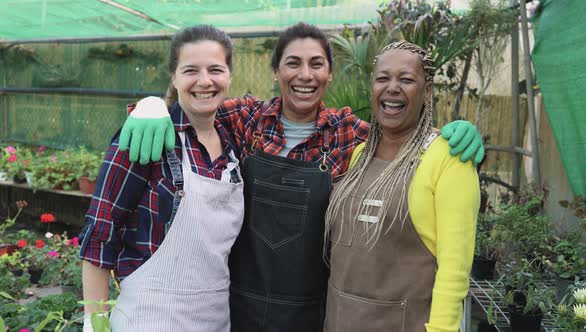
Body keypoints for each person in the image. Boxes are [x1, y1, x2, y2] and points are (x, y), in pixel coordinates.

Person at [118, 23, 484, 331]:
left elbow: (404, 139)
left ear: (329, 73)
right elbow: (194, 106)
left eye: (317, 64)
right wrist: (150, 108)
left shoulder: (350, 137)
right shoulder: (244, 120)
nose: (305, 75)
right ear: (276, 71)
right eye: (293, 63)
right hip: (240, 310)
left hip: (311, 315)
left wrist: (456, 135)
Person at [79, 25, 244, 331]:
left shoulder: (235, 141)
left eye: (216, 69)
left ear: (230, 76)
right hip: (149, 318)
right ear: (174, 77)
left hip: (217, 319)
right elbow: (100, 232)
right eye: (191, 70)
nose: (205, 81)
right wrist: (94, 320)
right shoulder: (146, 137)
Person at [323, 41, 479, 332]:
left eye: (406, 79)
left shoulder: (449, 159)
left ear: (427, 91)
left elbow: (454, 270)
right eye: (383, 78)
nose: (392, 88)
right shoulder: (359, 155)